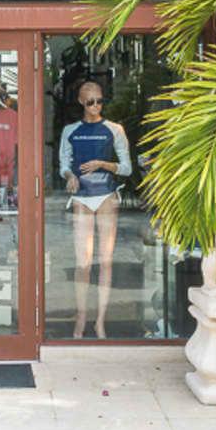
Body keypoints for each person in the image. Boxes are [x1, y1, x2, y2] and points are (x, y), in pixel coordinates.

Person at [59, 80, 132, 339]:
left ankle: (101, 319)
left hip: (107, 196)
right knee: (83, 262)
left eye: (100, 101)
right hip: (81, 197)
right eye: (90, 102)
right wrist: (70, 176)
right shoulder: (71, 131)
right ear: (81, 101)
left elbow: (127, 168)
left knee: (106, 261)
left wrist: (103, 163)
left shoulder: (114, 130)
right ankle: (81, 317)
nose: (96, 106)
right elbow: (63, 164)